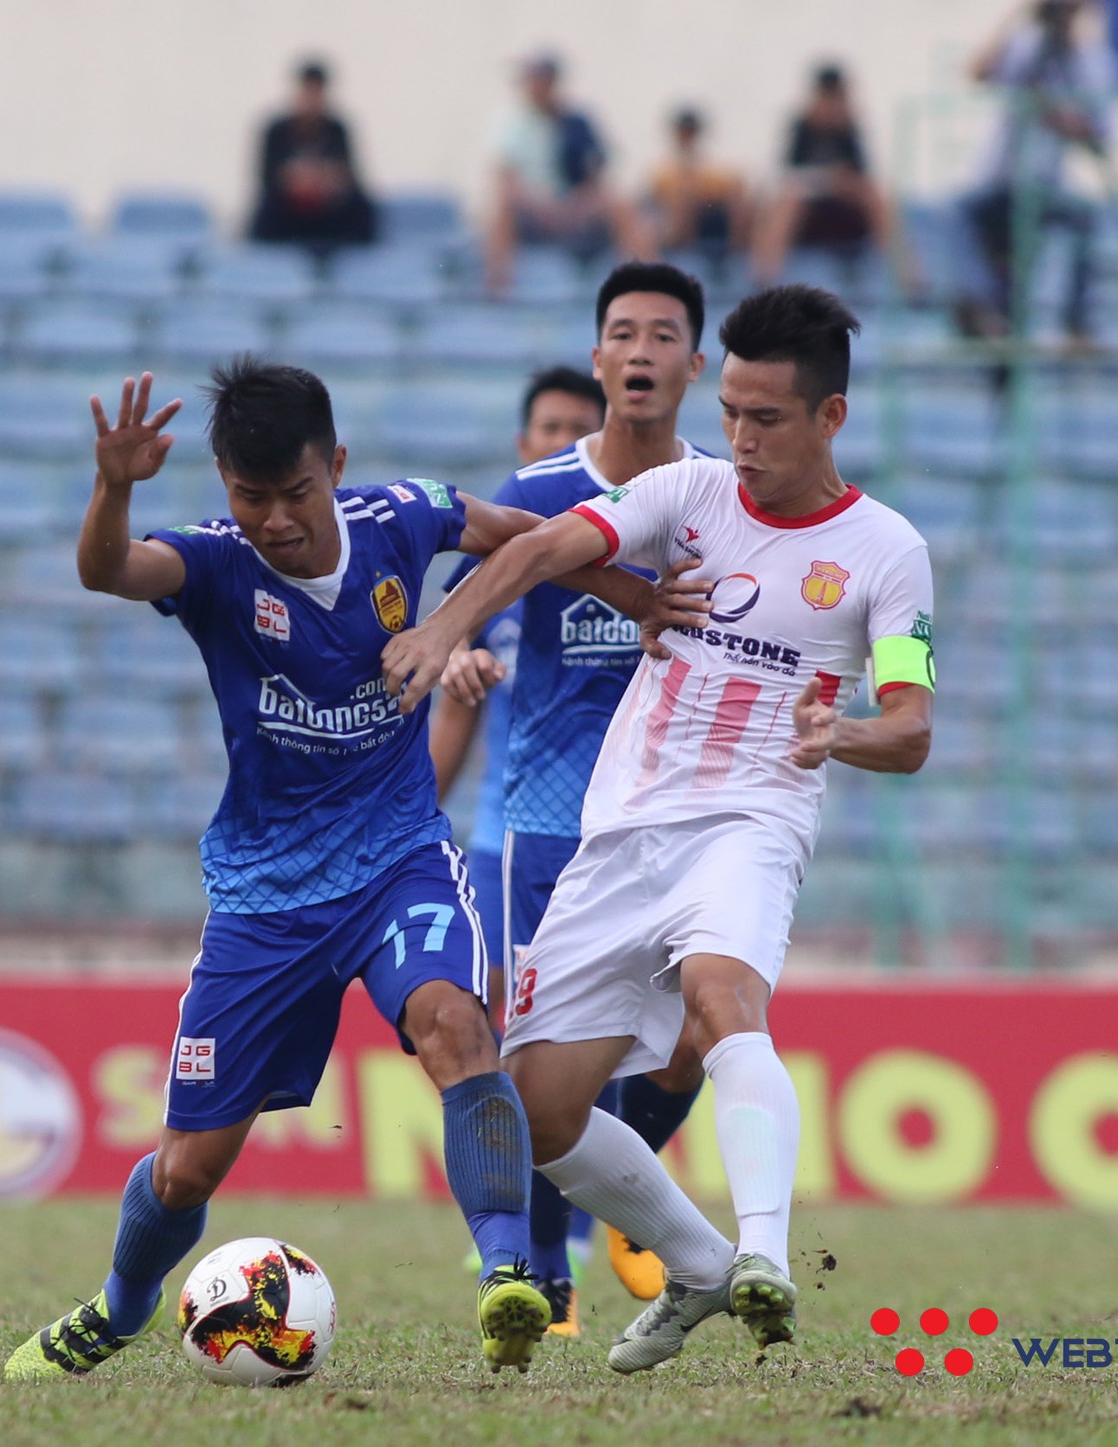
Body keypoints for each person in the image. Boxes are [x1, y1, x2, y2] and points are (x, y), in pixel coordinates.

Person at [4, 359, 698, 1382]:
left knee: (457, 1025)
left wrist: (636, 595)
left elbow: (530, 542)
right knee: (191, 1165)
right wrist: (114, 486)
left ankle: (511, 1277)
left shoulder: (402, 517)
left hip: (396, 859)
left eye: (294, 492)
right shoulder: (214, 563)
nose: (275, 519)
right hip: (264, 895)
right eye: (251, 497)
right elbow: (108, 571)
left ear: (335, 465)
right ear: (224, 486)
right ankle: (117, 1305)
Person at [382, 285, 935, 1371]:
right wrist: (448, 622)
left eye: (765, 417)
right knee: (537, 1116)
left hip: (750, 817)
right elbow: (543, 549)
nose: (739, 437)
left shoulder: (884, 551)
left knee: (720, 998)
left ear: (828, 417)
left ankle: (766, 1254)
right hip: (623, 827)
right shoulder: (687, 491)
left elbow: (910, 728)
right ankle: (698, 1263)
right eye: (728, 410)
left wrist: (841, 733)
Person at [440, 262, 723, 1336]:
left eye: (662, 334)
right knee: (540, 1063)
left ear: (692, 364)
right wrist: (457, 652)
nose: (640, 351)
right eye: (621, 332)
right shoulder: (545, 497)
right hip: (546, 828)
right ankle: (548, 1277)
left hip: (677, 821)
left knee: (702, 1031)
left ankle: (629, 1188)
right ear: (600, 353)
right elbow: (467, 618)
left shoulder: (717, 497)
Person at [427, 365, 608, 1032]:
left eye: (580, 432)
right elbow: (451, 688)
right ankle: (509, 1136)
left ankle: (595, 1136)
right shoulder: (488, 576)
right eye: (551, 429)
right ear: (523, 444)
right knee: (468, 1015)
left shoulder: (633, 557)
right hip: (505, 833)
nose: (564, 442)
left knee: (623, 1037)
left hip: (614, 834)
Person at [959, 0, 1118, 340]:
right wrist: (1022, 12)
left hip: (1045, 185)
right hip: (999, 182)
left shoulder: (1093, 61)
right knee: (987, 253)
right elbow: (977, 72)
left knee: (1083, 223)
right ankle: (991, 322)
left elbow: (1099, 133)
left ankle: (1076, 325)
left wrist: (1048, 111)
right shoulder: (1025, 45)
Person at [484, 54, 653, 293]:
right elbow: (506, 180)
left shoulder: (576, 121)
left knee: (620, 204)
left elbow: (596, 173)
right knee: (501, 210)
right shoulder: (510, 124)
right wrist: (540, 206)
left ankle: (644, 281)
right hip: (532, 210)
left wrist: (575, 205)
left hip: (572, 207)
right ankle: (499, 288)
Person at [750, 64, 908, 290]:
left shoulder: (848, 128)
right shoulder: (801, 127)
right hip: (806, 214)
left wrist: (843, 183)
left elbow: (861, 176)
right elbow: (785, 176)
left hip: (843, 212)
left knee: (877, 195)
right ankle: (765, 277)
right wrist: (827, 180)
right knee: (789, 198)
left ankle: (906, 277)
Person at [248, 58, 376, 251]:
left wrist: (325, 181)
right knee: (266, 212)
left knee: (362, 208)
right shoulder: (276, 130)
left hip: (327, 209)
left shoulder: (336, 129)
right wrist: (295, 181)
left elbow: (349, 175)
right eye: (308, 92)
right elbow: (267, 177)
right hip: (289, 210)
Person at [648, 108, 751, 261]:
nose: (688, 137)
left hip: (709, 216)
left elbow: (731, 188)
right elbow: (657, 199)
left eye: (690, 132)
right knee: (683, 194)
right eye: (684, 132)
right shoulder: (663, 169)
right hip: (675, 222)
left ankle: (736, 253)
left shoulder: (710, 168)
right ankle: (676, 250)